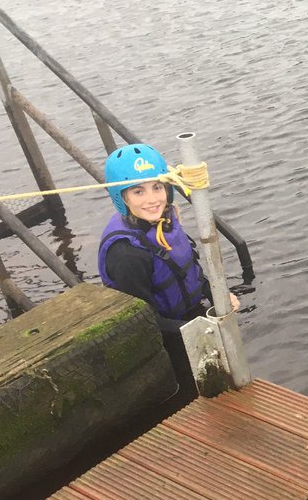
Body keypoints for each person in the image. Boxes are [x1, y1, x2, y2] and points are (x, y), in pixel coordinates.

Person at [97, 142, 237, 389]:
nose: (152, 200)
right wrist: (198, 330)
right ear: (122, 198)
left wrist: (216, 295)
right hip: (163, 339)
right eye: (138, 192)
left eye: (157, 187)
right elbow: (141, 320)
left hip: (188, 319)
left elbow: (187, 269)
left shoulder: (165, 220)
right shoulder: (126, 254)